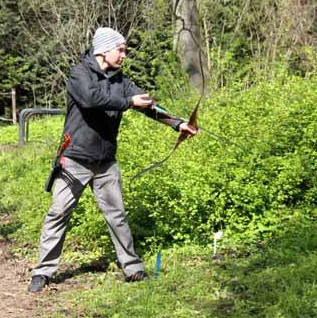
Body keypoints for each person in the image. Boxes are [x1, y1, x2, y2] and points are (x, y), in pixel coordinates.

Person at [28, 27, 198, 292]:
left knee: (117, 215)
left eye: (124, 50)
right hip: (75, 159)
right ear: (103, 50)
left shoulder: (121, 80)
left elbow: (147, 104)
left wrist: (177, 124)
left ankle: (133, 269)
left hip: (106, 161)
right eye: (120, 50)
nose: (124, 55)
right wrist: (129, 102)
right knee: (58, 213)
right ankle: (43, 272)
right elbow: (92, 99)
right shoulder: (79, 74)